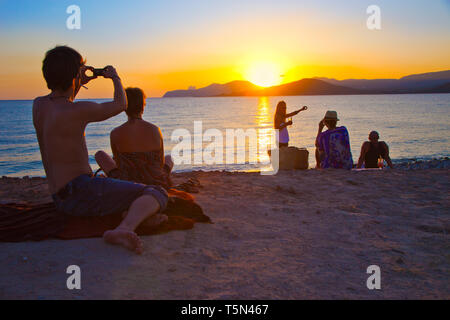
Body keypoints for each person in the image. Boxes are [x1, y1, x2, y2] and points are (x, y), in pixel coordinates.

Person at [32, 46, 168, 254]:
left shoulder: (39, 105)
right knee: (155, 192)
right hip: (80, 192)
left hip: (59, 197)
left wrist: (76, 81)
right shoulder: (78, 110)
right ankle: (123, 229)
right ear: (75, 75)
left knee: (123, 194)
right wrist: (114, 77)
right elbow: (121, 103)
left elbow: (63, 101)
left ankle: (126, 215)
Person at [95, 87, 173, 189]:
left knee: (99, 154)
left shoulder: (115, 132)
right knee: (169, 158)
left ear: (124, 107)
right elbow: (161, 161)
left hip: (128, 183)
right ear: (143, 105)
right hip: (156, 181)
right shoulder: (155, 130)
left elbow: (118, 162)